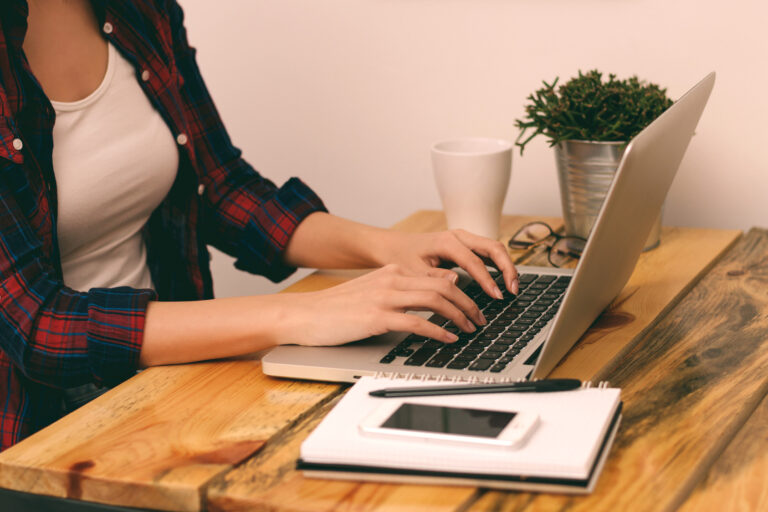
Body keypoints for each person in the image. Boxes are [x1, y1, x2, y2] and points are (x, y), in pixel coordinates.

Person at [0, 0, 518, 451]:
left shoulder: (140, 8)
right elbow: (41, 326)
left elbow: (220, 188)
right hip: (41, 428)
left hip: (165, 380)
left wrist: (393, 247)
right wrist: (301, 314)